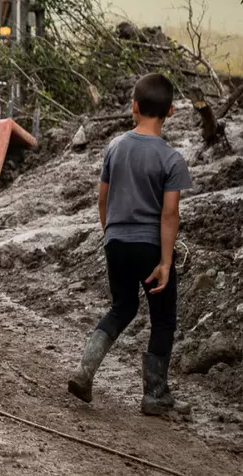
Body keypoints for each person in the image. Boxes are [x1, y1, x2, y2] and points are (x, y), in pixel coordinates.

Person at [68, 73, 192, 417]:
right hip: (150, 249)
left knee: (122, 306)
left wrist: (110, 234)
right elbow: (170, 215)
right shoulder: (171, 158)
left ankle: (85, 370)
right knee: (163, 319)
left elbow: (102, 199)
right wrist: (165, 262)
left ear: (134, 107)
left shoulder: (115, 146)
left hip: (116, 242)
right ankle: (155, 396)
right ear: (171, 110)